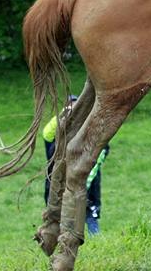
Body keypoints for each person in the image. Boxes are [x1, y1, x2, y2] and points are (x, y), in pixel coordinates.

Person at [43, 95, 110, 236]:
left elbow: (97, 159)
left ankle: (94, 242)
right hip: (60, 187)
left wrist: (81, 184)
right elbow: (47, 135)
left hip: (86, 187)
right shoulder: (57, 140)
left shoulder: (92, 133)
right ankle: (63, 240)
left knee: (90, 216)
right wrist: (63, 116)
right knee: (61, 217)